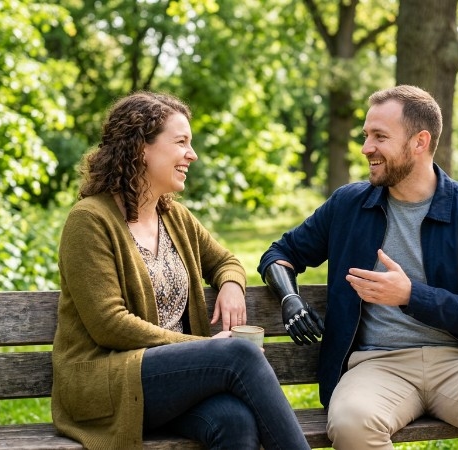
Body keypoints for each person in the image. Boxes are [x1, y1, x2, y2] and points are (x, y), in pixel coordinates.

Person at [258, 85, 458, 450]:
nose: (366, 148)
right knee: (352, 423)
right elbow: (280, 253)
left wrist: (410, 295)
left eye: (379, 137)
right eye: (366, 136)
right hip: (376, 365)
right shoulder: (348, 205)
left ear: (420, 142)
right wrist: (289, 298)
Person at [52, 92, 310, 450]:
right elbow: (109, 324)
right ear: (142, 148)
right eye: (181, 142)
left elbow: (226, 261)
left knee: (234, 422)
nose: (193, 154)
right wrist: (206, 349)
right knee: (240, 354)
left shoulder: (173, 216)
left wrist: (231, 283)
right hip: (108, 383)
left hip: (170, 383)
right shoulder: (89, 221)